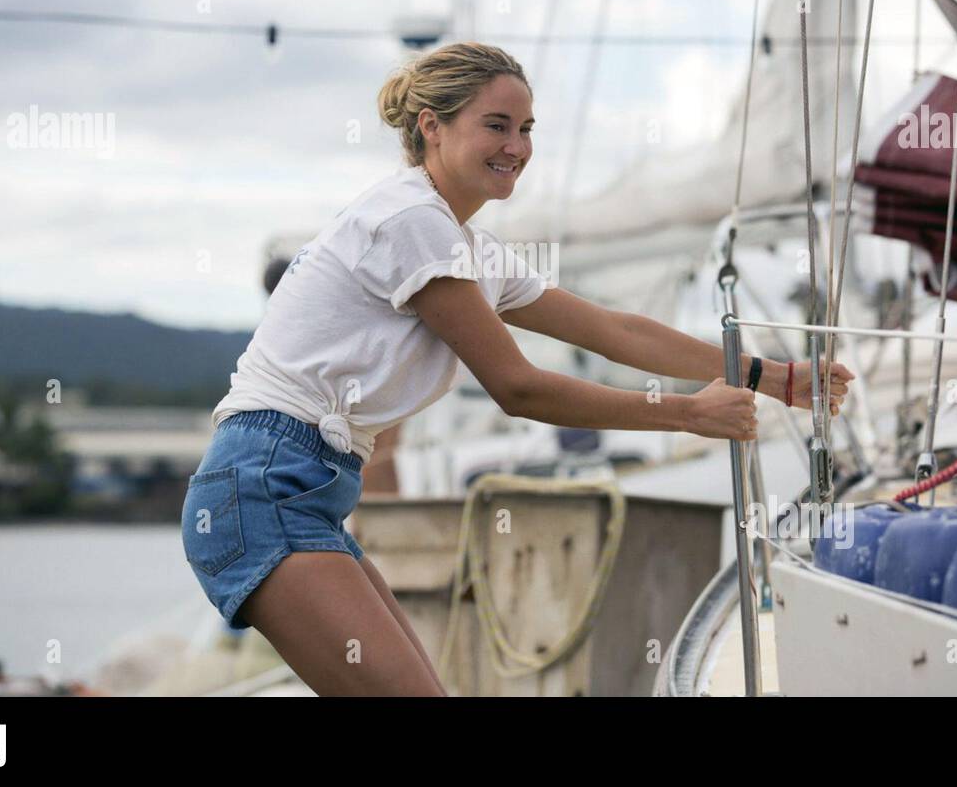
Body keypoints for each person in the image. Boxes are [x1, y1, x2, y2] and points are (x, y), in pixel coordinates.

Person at [180, 42, 853, 696]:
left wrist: (774, 377)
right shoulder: (412, 221)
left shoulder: (467, 245)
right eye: (496, 126)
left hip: (298, 491)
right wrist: (685, 413)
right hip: (264, 486)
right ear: (432, 127)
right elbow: (517, 387)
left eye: (526, 129)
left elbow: (615, 329)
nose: (518, 147)